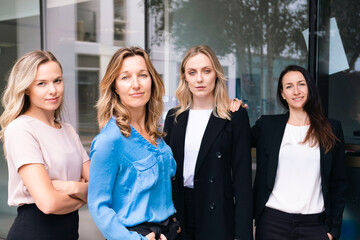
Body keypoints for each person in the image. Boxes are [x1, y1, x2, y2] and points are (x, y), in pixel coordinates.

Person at [88, 47, 179, 240]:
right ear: (114, 86)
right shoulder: (109, 141)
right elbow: (98, 206)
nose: (136, 84)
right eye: (125, 77)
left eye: (143, 75)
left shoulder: (155, 133)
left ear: (152, 81)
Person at [163, 45, 253, 240]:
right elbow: (166, 173)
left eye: (206, 71)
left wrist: (243, 234)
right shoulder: (174, 117)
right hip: (179, 212)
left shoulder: (234, 116)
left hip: (217, 210)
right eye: (192, 72)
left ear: (216, 74)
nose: (200, 79)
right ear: (185, 77)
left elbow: (242, 180)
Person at [0, 50, 90, 240]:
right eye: (41, 83)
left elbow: (99, 187)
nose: (53, 90)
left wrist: (69, 188)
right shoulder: (21, 129)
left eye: (57, 80)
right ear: (26, 88)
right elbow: (49, 204)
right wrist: (84, 194)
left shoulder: (67, 130)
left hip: (69, 233)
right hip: (33, 232)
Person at [252, 65, 347, 240]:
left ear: (309, 87)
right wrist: (231, 108)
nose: (296, 91)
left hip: (315, 226)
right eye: (289, 86)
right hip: (273, 223)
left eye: (301, 84)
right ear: (282, 94)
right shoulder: (267, 126)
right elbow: (236, 140)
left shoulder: (332, 128)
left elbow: (338, 183)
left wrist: (332, 230)